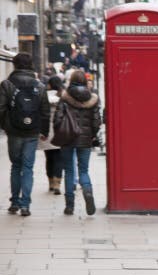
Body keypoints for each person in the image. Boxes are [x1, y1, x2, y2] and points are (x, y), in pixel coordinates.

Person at [0, 53, 50, 216]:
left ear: (14, 65)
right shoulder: (40, 86)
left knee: (16, 166)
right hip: (32, 131)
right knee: (28, 167)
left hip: (13, 131)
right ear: (30, 65)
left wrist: (5, 126)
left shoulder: (6, 84)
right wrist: (44, 131)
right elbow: (45, 111)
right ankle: (25, 205)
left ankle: (14, 202)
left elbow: (1, 108)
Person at [53, 70, 101, 215]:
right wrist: (92, 135)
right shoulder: (92, 98)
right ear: (85, 81)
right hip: (85, 140)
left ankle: (69, 206)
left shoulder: (65, 97)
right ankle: (87, 191)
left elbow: (57, 119)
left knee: (69, 171)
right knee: (84, 170)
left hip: (68, 139)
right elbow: (96, 121)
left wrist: (60, 132)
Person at [38, 75, 65, 194]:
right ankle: (57, 184)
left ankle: (50, 183)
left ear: (49, 84)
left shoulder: (43, 96)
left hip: (45, 131)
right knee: (58, 158)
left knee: (49, 158)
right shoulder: (62, 97)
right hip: (59, 131)